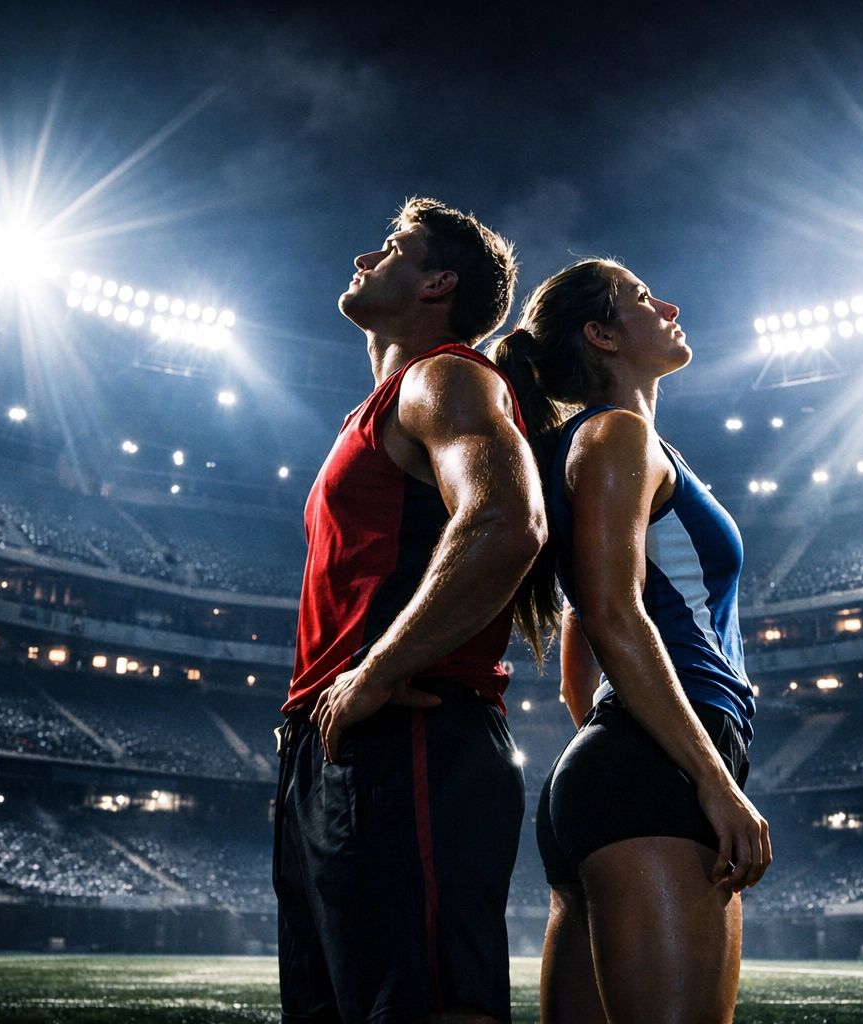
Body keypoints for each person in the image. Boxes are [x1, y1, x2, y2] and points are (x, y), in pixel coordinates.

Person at [274, 198, 546, 1024]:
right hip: (333, 747)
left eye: (391, 246)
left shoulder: (447, 377)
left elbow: (507, 522)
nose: (363, 257)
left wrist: (378, 669)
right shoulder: (380, 408)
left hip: (410, 736)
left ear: (439, 282)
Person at [489, 259, 771, 1024]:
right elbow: (614, 614)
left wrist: (619, 760)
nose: (670, 303)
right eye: (644, 297)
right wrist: (706, 776)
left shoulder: (609, 444)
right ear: (601, 334)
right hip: (660, 764)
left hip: (623, 766)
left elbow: (581, 642)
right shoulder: (616, 436)